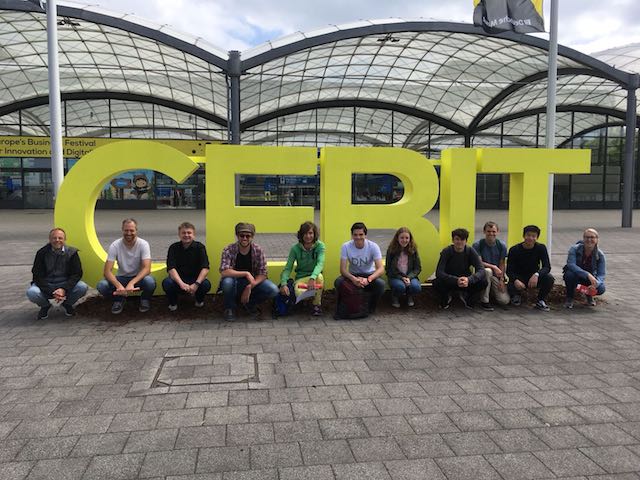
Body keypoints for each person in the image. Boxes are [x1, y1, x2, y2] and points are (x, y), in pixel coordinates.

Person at [219, 222, 279, 321]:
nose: (244, 238)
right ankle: (230, 308)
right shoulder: (228, 249)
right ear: (237, 235)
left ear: (252, 237)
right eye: (241, 235)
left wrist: (250, 286)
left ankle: (249, 304)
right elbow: (224, 271)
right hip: (235, 282)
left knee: (273, 290)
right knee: (227, 282)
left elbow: (263, 273)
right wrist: (246, 273)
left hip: (252, 282)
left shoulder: (258, 250)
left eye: (248, 236)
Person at [96, 218, 156, 314]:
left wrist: (132, 283)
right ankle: (119, 300)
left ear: (136, 230)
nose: (129, 233)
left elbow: (147, 269)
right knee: (102, 285)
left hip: (138, 278)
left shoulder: (143, 244)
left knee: (150, 282)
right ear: (122, 230)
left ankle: (145, 299)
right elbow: (107, 271)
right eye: (126, 230)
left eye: (132, 230)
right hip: (121, 278)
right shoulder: (115, 245)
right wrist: (119, 286)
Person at [27, 227, 88, 319]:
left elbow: (77, 274)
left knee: (82, 287)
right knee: (32, 293)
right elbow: (37, 276)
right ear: (49, 239)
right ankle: (45, 306)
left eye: (60, 238)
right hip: (47, 283)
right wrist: (51, 291)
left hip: (65, 282)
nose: (57, 240)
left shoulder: (72, 253)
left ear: (65, 239)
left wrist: (64, 289)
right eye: (54, 238)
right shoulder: (41, 253)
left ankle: (67, 304)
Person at [334, 222, 386, 313]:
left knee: (381, 284)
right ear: (352, 235)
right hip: (353, 275)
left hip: (369, 274)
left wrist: (369, 279)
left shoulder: (373, 246)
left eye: (361, 234)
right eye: (355, 235)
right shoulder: (346, 246)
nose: (358, 237)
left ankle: (370, 308)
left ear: (365, 235)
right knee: (338, 282)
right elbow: (343, 270)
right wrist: (353, 279)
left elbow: (381, 269)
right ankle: (347, 306)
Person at [433, 228, 487, 310]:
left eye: (462, 239)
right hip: (450, 281)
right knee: (437, 282)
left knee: (483, 282)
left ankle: (468, 298)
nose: (459, 242)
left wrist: (469, 279)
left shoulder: (470, 251)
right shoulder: (447, 251)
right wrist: (456, 280)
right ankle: (446, 298)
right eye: (457, 239)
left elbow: (481, 269)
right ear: (453, 240)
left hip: (466, 282)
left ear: (466, 241)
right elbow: (439, 272)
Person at [162, 222, 211, 311]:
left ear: (194, 235)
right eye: (183, 233)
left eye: (189, 233)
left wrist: (196, 284)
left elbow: (205, 267)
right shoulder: (173, 248)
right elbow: (171, 268)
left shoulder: (200, 247)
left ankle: (199, 301)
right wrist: (181, 284)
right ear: (179, 235)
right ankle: (173, 303)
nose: (186, 235)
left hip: (195, 280)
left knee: (206, 284)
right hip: (178, 280)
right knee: (167, 283)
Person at [280, 221, 326, 316]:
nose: (308, 236)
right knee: (298, 292)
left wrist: (312, 278)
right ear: (301, 235)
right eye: (305, 233)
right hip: (301, 279)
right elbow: (288, 268)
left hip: (315, 278)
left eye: (310, 233)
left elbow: (320, 264)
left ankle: (316, 305)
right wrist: (283, 283)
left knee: (320, 277)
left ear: (314, 234)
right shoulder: (295, 249)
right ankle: (303, 302)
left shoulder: (320, 246)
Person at [506, 225, 554, 311]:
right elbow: (509, 270)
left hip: (533, 277)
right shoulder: (514, 250)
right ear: (524, 236)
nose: (530, 238)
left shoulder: (541, 248)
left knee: (549, 278)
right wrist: (516, 280)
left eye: (533, 236)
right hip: (519, 277)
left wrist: (537, 274)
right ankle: (516, 296)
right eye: (528, 235)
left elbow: (547, 267)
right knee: (511, 283)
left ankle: (541, 300)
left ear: (537, 237)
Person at [472, 221, 510, 311]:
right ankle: (485, 301)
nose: (491, 234)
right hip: (482, 275)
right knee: (488, 271)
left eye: (493, 231)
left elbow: (502, 263)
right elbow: (479, 262)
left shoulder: (502, 245)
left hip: (495, 276)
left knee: (504, 301)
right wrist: (493, 267)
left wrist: (501, 280)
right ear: (484, 231)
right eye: (488, 231)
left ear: (497, 232)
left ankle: (492, 293)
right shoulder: (478, 245)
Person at [563, 228, 606, 308]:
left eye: (592, 237)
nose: (589, 240)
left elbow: (601, 274)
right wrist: (587, 274)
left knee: (601, 289)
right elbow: (571, 265)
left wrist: (596, 284)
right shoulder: (574, 249)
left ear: (597, 240)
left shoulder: (600, 255)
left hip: (589, 279)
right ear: (583, 239)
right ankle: (569, 298)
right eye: (587, 237)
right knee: (569, 275)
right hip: (576, 276)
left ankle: (589, 295)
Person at [385, 227, 422, 308]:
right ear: (397, 238)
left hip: (410, 276)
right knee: (400, 286)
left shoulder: (413, 250)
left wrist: (409, 277)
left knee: (416, 287)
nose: (404, 240)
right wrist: (401, 278)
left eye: (407, 238)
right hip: (395, 276)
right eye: (402, 238)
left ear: (410, 239)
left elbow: (417, 268)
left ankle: (409, 295)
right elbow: (388, 269)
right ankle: (395, 296)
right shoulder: (391, 250)